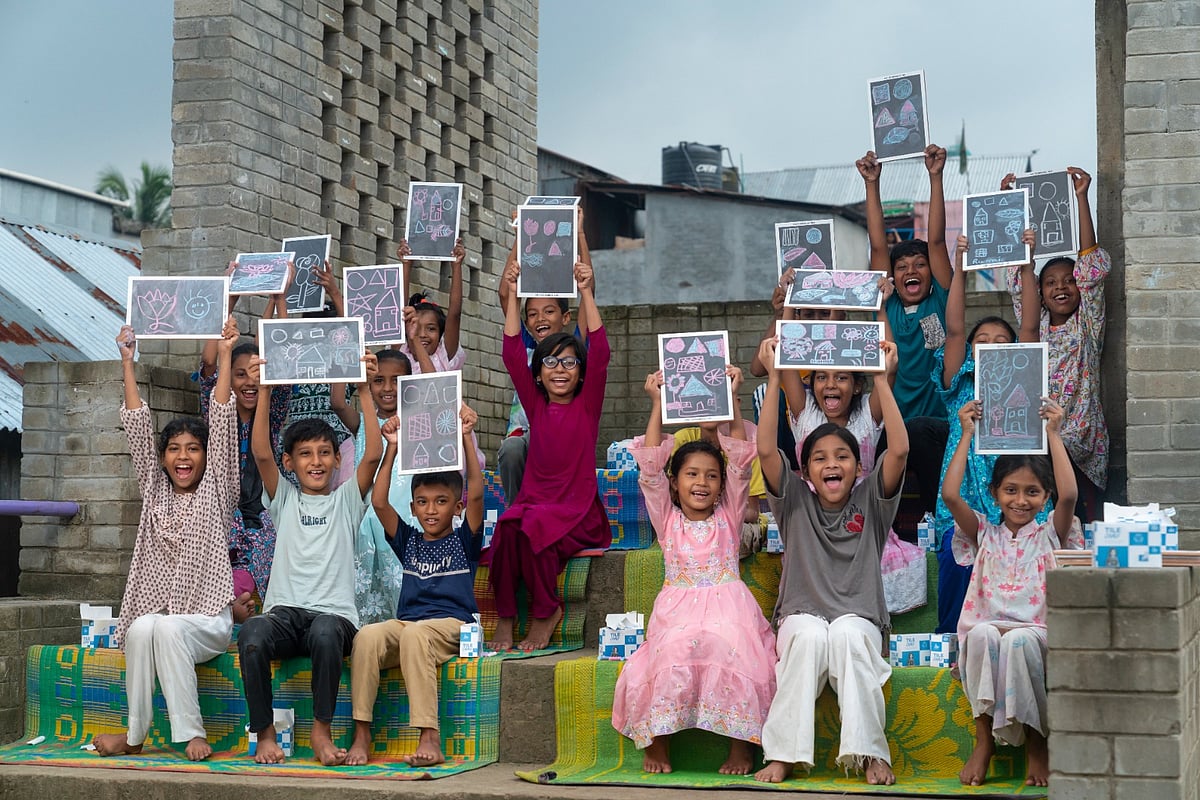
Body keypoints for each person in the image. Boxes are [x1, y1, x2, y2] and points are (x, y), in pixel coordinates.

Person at [753, 336, 907, 787]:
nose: (831, 463)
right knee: (807, 636)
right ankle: (783, 755)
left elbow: (898, 451)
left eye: (842, 456)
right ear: (805, 472)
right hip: (802, 615)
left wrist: (881, 380)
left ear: (858, 468)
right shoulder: (794, 501)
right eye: (819, 458)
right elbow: (766, 452)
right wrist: (776, 377)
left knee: (846, 636)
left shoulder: (871, 500)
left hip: (858, 618)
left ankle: (869, 753)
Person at [611, 367, 776, 775]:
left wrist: (733, 397)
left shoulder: (730, 515)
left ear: (722, 486)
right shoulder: (666, 518)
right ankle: (659, 741)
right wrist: (656, 404)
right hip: (678, 610)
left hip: (729, 606)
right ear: (674, 483)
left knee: (735, 648)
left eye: (711, 476)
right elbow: (650, 469)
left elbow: (740, 458)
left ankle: (741, 746)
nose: (702, 482)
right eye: (691, 474)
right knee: (670, 651)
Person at [92, 319, 240, 762]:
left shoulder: (217, 490)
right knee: (141, 627)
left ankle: (191, 733)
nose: (183, 456)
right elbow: (138, 429)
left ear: (206, 456)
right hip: (163, 619)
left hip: (207, 623)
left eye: (193, 448)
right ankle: (134, 734)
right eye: (174, 448)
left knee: (169, 626)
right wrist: (128, 361)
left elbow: (221, 419)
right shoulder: (155, 492)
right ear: (162, 458)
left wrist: (226, 355)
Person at [237, 353, 382, 765]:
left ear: (337, 460)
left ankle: (321, 730)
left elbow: (372, 456)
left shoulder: (346, 501)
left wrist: (364, 390)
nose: (316, 462)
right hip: (285, 616)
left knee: (324, 631)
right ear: (290, 463)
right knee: (252, 633)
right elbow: (261, 454)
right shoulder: (284, 499)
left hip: (333, 619)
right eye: (305, 454)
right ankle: (265, 733)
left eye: (324, 453)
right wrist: (265, 390)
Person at [942, 398, 1081, 788]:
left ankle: (1038, 742)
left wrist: (1054, 434)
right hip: (989, 629)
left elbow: (1070, 496)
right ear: (995, 492)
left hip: (1037, 634)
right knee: (982, 634)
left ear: (1045, 496)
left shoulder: (1051, 534)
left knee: (1019, 641)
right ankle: (984, 740)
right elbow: (950, 496)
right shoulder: (984, 534)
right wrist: (966, 433)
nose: (1021, 500)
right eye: (1011, 490)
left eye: (1032, 492)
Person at [345, 404, 485, 767]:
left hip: (452, 625)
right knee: (367, 636)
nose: (431, 510)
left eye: (441, 502)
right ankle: (361, 732)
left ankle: (429, 736)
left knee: (415, 635)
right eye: (422, 502)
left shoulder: (464, 540)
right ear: (412, 507)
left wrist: (467, 437)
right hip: (410, 625)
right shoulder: (409, 541)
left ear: (457, 508)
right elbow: (378, 501)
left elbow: (476, 493)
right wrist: (392, 447)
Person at [488, 259, 609, 651]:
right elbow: (511, 353)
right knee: (508, 529)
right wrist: (512, 296)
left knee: (533, 528)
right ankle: (507, 615)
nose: (560, 370)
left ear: (581, 372)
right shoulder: (537, 405)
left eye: (570, 362)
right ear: (538, 373)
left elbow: (601, 350)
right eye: (550, 362)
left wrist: (586, 291)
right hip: (537, 503)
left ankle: (546, 611)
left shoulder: (587, 405)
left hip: (578, 512)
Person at [932, 232, 1049, 633]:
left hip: (1014, 490)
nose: (992, 347)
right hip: (965, 490)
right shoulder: (959, 381)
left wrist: (1027, 265)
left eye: (1002, 342)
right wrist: (961, 268)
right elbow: (953, 330)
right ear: (970, 350)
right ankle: (954, 639)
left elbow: (1030, 326)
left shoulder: (1024, 380)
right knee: (957, 562)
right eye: (982, 342)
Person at [1004, 167, 1109, 522]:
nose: (1061, 287)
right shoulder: (1035, 326)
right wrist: (1010, 206)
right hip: (1040, 440)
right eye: (1050, 283)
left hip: (1080, 439)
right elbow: (1019, 282)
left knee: (1080, 521)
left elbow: (1091, 268)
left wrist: (1081, 198)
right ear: (1041, 292)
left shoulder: (1088, 324)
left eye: (1068, 281)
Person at [860, 145, 952, 519]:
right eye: (902, 267)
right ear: (893, 279)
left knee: (923, 437)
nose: (911, 270)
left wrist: (935, 176)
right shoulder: (885, 305)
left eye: (920, 265)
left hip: (935, 429)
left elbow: (937, 241)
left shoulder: (942, 299)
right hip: (891, 429)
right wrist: (871, 184)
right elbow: (877, 244)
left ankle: (938, 527)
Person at [197, 270, 292, 620]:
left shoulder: (273, 407)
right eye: (240, 374)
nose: (250, 382)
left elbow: (283, 359)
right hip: (219, 516)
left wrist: (280, 298)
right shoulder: (216, 406)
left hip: (261, 517)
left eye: (256, 373)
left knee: (253, 588)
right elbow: (210, 362)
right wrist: (228, 298)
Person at [330, 320, 436, 626]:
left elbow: (434, 384)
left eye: (397, 380)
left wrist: (414, 341)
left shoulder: (419, 419)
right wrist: (349, 349)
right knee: (371, 524)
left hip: (406, 512)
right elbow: (337, 401)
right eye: (379, 381)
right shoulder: (363, 420)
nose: (388, 388)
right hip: (369, 513)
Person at [495, 213, 592, 503]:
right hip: (526, 433)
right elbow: (505, 295)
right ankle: (516, 516)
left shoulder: (575, 348)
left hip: (564, 434)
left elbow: (589, 292)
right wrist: (520, 236)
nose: (540, 319)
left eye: (549, 312)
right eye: (533, 314)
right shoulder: (525, 346)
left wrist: (580, 234)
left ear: (565, 317)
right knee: (512, 450)